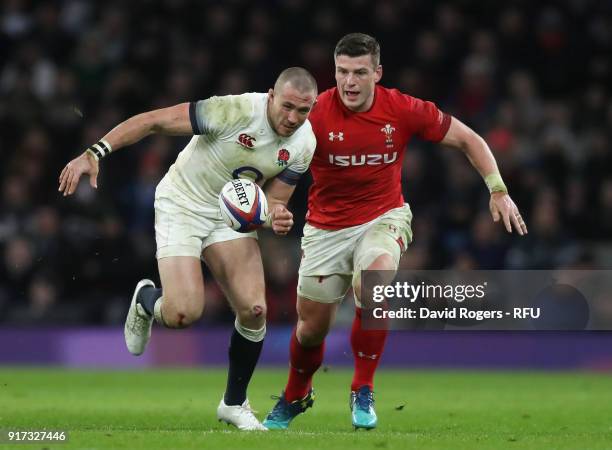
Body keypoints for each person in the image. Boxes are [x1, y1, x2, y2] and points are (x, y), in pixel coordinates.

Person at [263, 34, 528, 430]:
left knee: (374, 285)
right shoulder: (314, 114)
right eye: (342, 72)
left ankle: (362, 388)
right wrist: (275, 211)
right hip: (325, 228)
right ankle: (296, 394)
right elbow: (280, 180)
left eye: (359, 73)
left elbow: (468, 138)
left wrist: (498, 189)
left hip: (382, 217)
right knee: (311, 327)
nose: (349, 82)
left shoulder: (402, 108)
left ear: (377, 73)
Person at [58, 67, 318, 431]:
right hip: (182, 203)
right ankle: (147, 301)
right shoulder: (234, 111)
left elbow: (274, 200)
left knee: (256, 310)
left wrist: (276, 217)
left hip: (228, 217)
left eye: (303, 111)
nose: (292, 118)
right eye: (287, 106)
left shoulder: (305, 143)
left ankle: (234, 403)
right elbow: (153, 122)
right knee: (183, 313)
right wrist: (95, 152)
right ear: (271, 96)